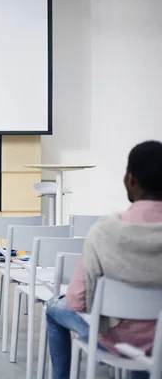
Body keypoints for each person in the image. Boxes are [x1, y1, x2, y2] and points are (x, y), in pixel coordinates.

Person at [46, 140, 162, 379]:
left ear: (130, 179)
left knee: (53, 308)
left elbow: (78, 301)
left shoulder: (105, 231)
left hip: (117, 342)